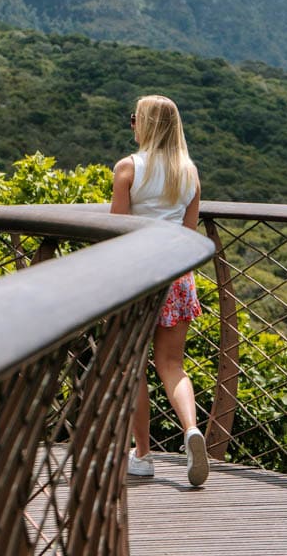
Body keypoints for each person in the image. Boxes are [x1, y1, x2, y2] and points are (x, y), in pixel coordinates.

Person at [110, 94, 209, 487]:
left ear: (145, 125)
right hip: (178, 275)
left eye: (134, 118)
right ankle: (190, 431)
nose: (132, 124)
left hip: (138, 275)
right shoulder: (190, 172)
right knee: (172, 365)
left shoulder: (128, 167)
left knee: (133, 367)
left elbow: (115, 229)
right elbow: (189, 234)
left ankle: (143, 455)